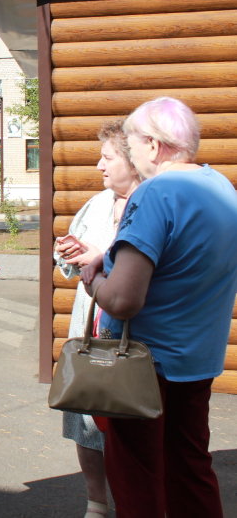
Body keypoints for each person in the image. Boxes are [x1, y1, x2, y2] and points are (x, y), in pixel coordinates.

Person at [80, 97, 237, 518]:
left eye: (131, 147)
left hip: (143, 367)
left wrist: (94, 278)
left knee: (136, 479)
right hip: (197, 361)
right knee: (189, 468)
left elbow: (123, 300)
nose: (131, 156)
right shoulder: (221, 187)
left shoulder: (155, 193)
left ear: (153, 144)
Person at [53, 120, 140, 518]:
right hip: (88, 331)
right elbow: (71, 265)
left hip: (131, 337)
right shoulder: (98, 203)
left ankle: (132, 503)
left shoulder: (150, 205)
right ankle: (96, 503)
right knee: (85, 420)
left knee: (129, 426)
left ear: (131, 159)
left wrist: (99, 256)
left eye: (107, 158)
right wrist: (69, 252)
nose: (100, 167)